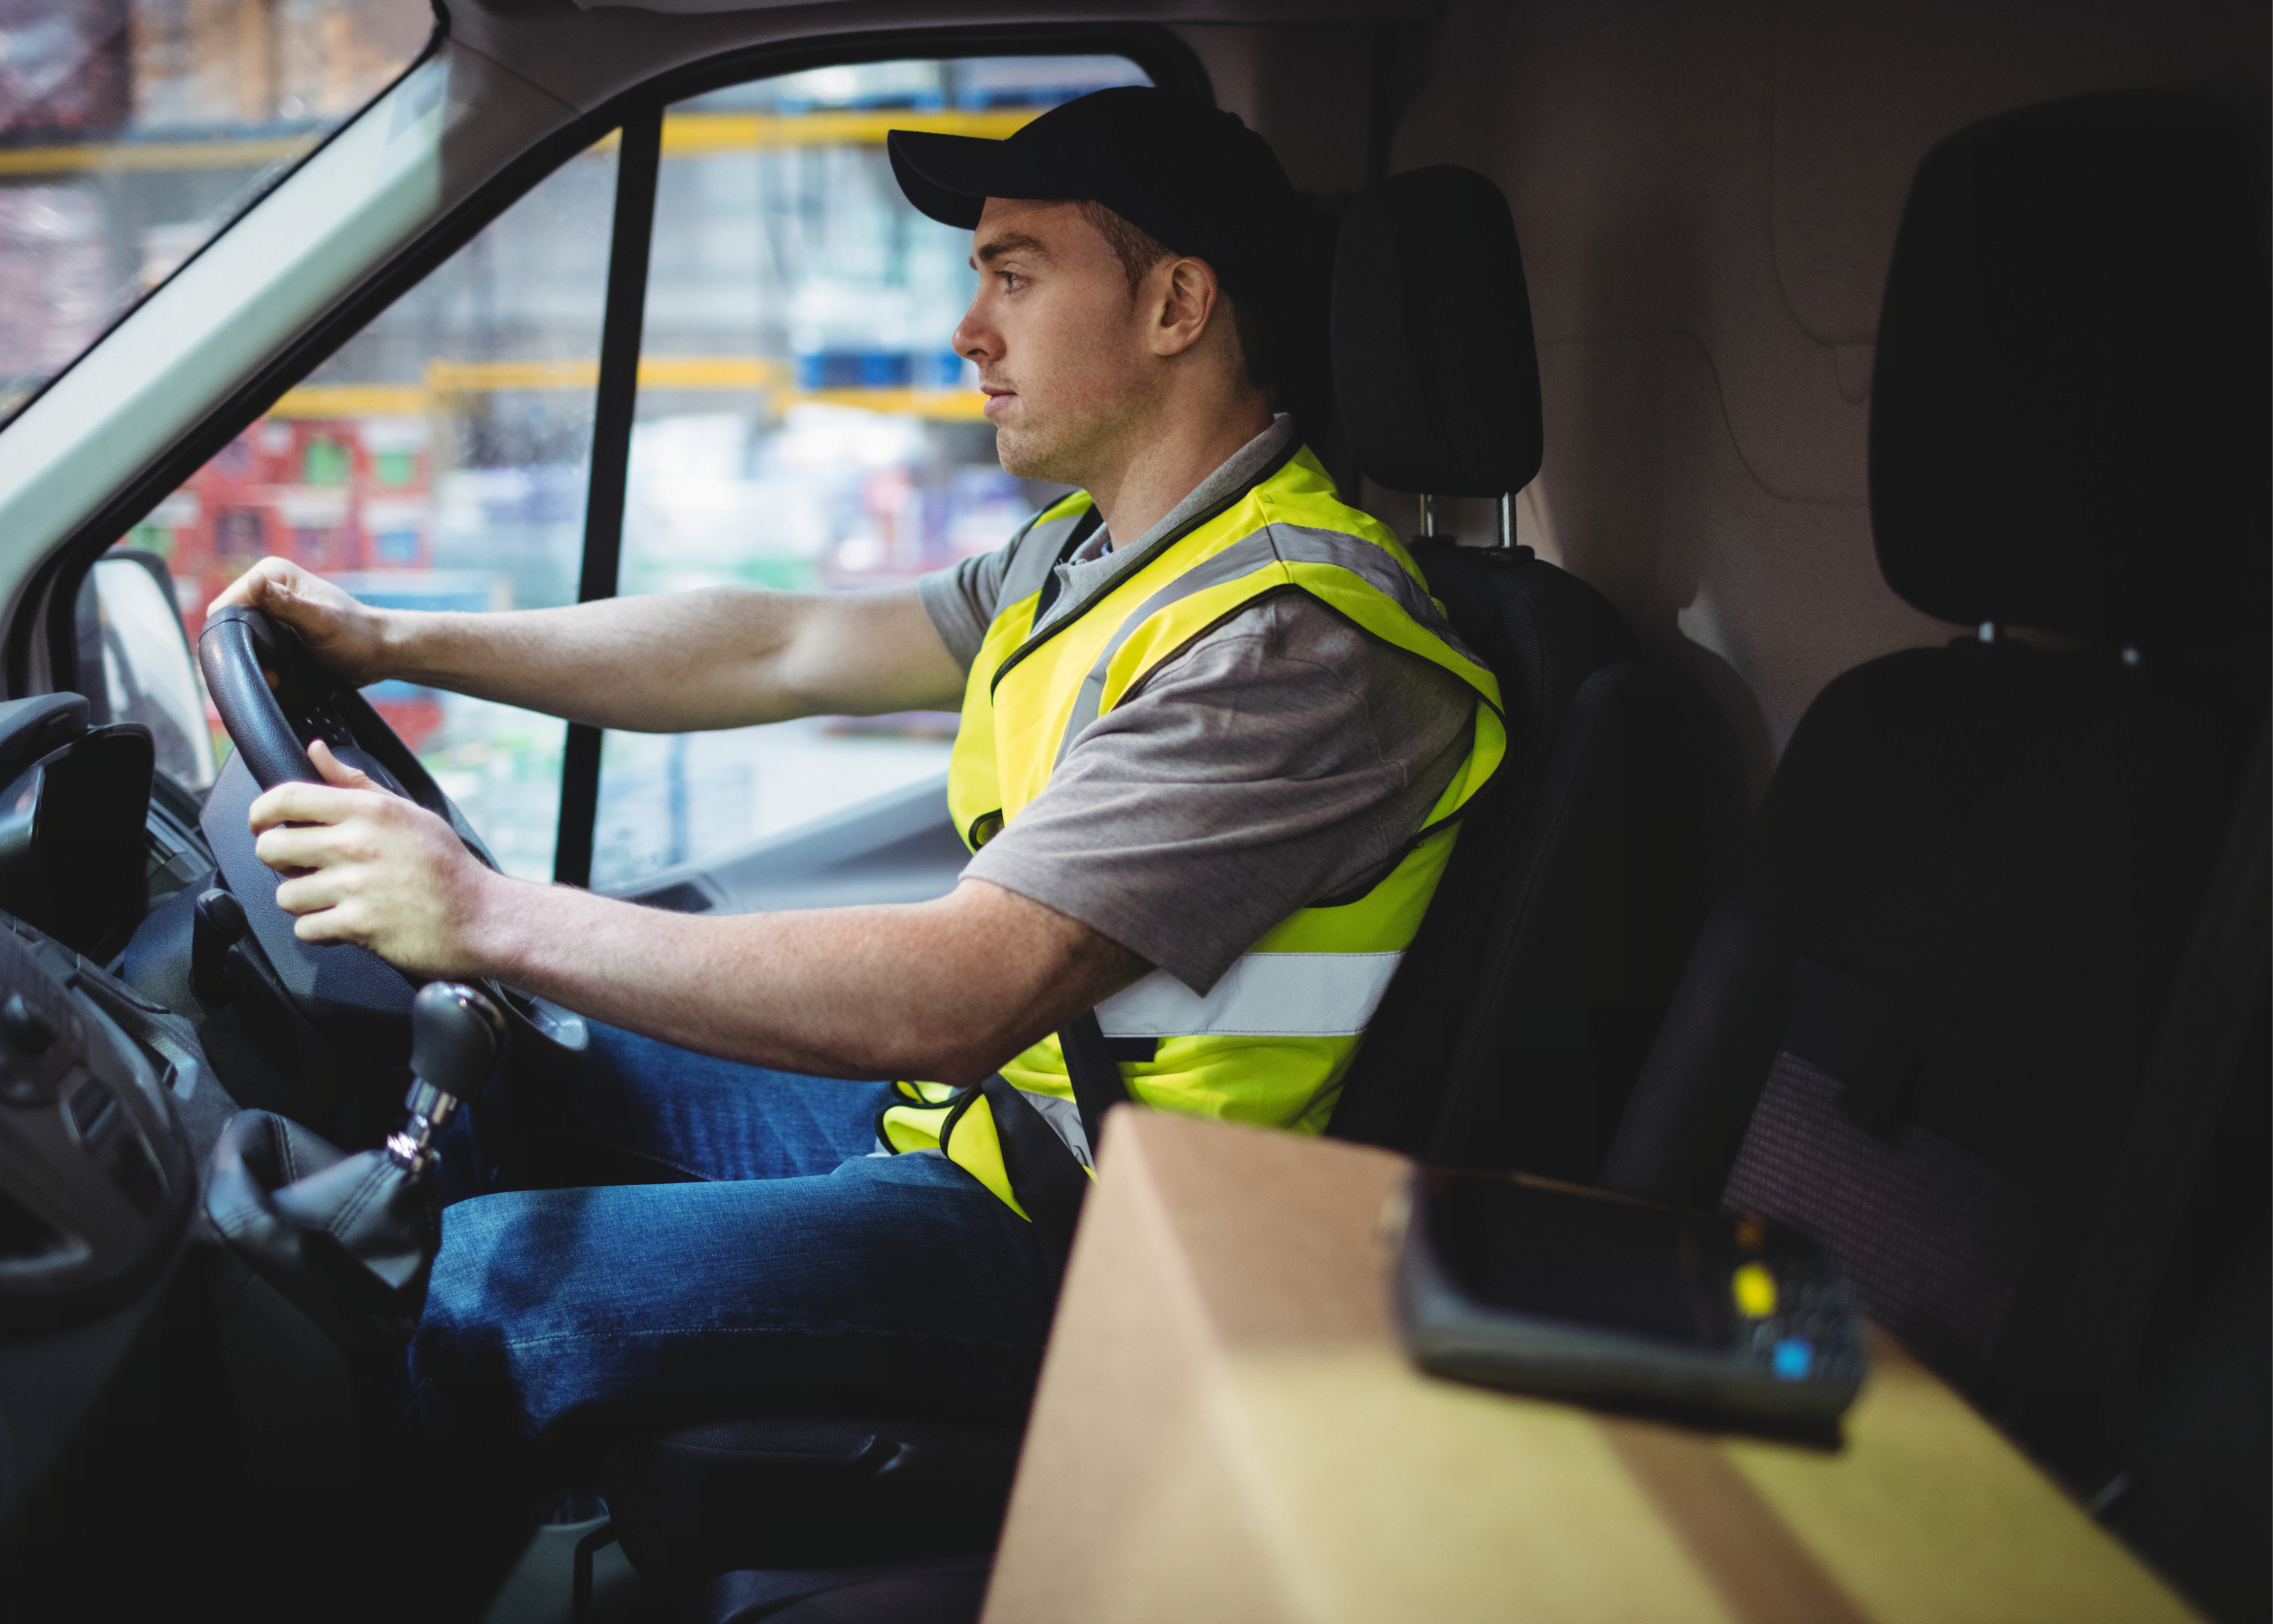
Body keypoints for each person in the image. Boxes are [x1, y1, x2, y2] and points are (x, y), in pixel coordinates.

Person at [208, 86, 1505, 1476]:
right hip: (1000, 1134)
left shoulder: (1289, 639)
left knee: (466, 1289)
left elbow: (961, 994)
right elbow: (781, 643)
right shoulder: (1098, 556)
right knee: (514, 1080)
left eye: (1016, 276)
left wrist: (485, 912)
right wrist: (401, 641)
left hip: (1110, 1244)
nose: (970, 331)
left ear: (1177, 305)